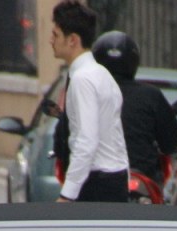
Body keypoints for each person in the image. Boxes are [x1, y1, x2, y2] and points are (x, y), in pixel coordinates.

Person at [49, 0, 128, 202]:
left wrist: (67, 194)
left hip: (96, 183)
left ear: (72, 40)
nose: (51, 40)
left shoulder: (83, 79)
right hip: (114, 178)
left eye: (56, 35)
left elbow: (87, 140)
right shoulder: (102, 74)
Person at [91, 31, 177, 186]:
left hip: (95, 182)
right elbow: (171, 142)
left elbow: (65, 140)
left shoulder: (85, 94)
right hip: (142, 180)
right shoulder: (151, 95)